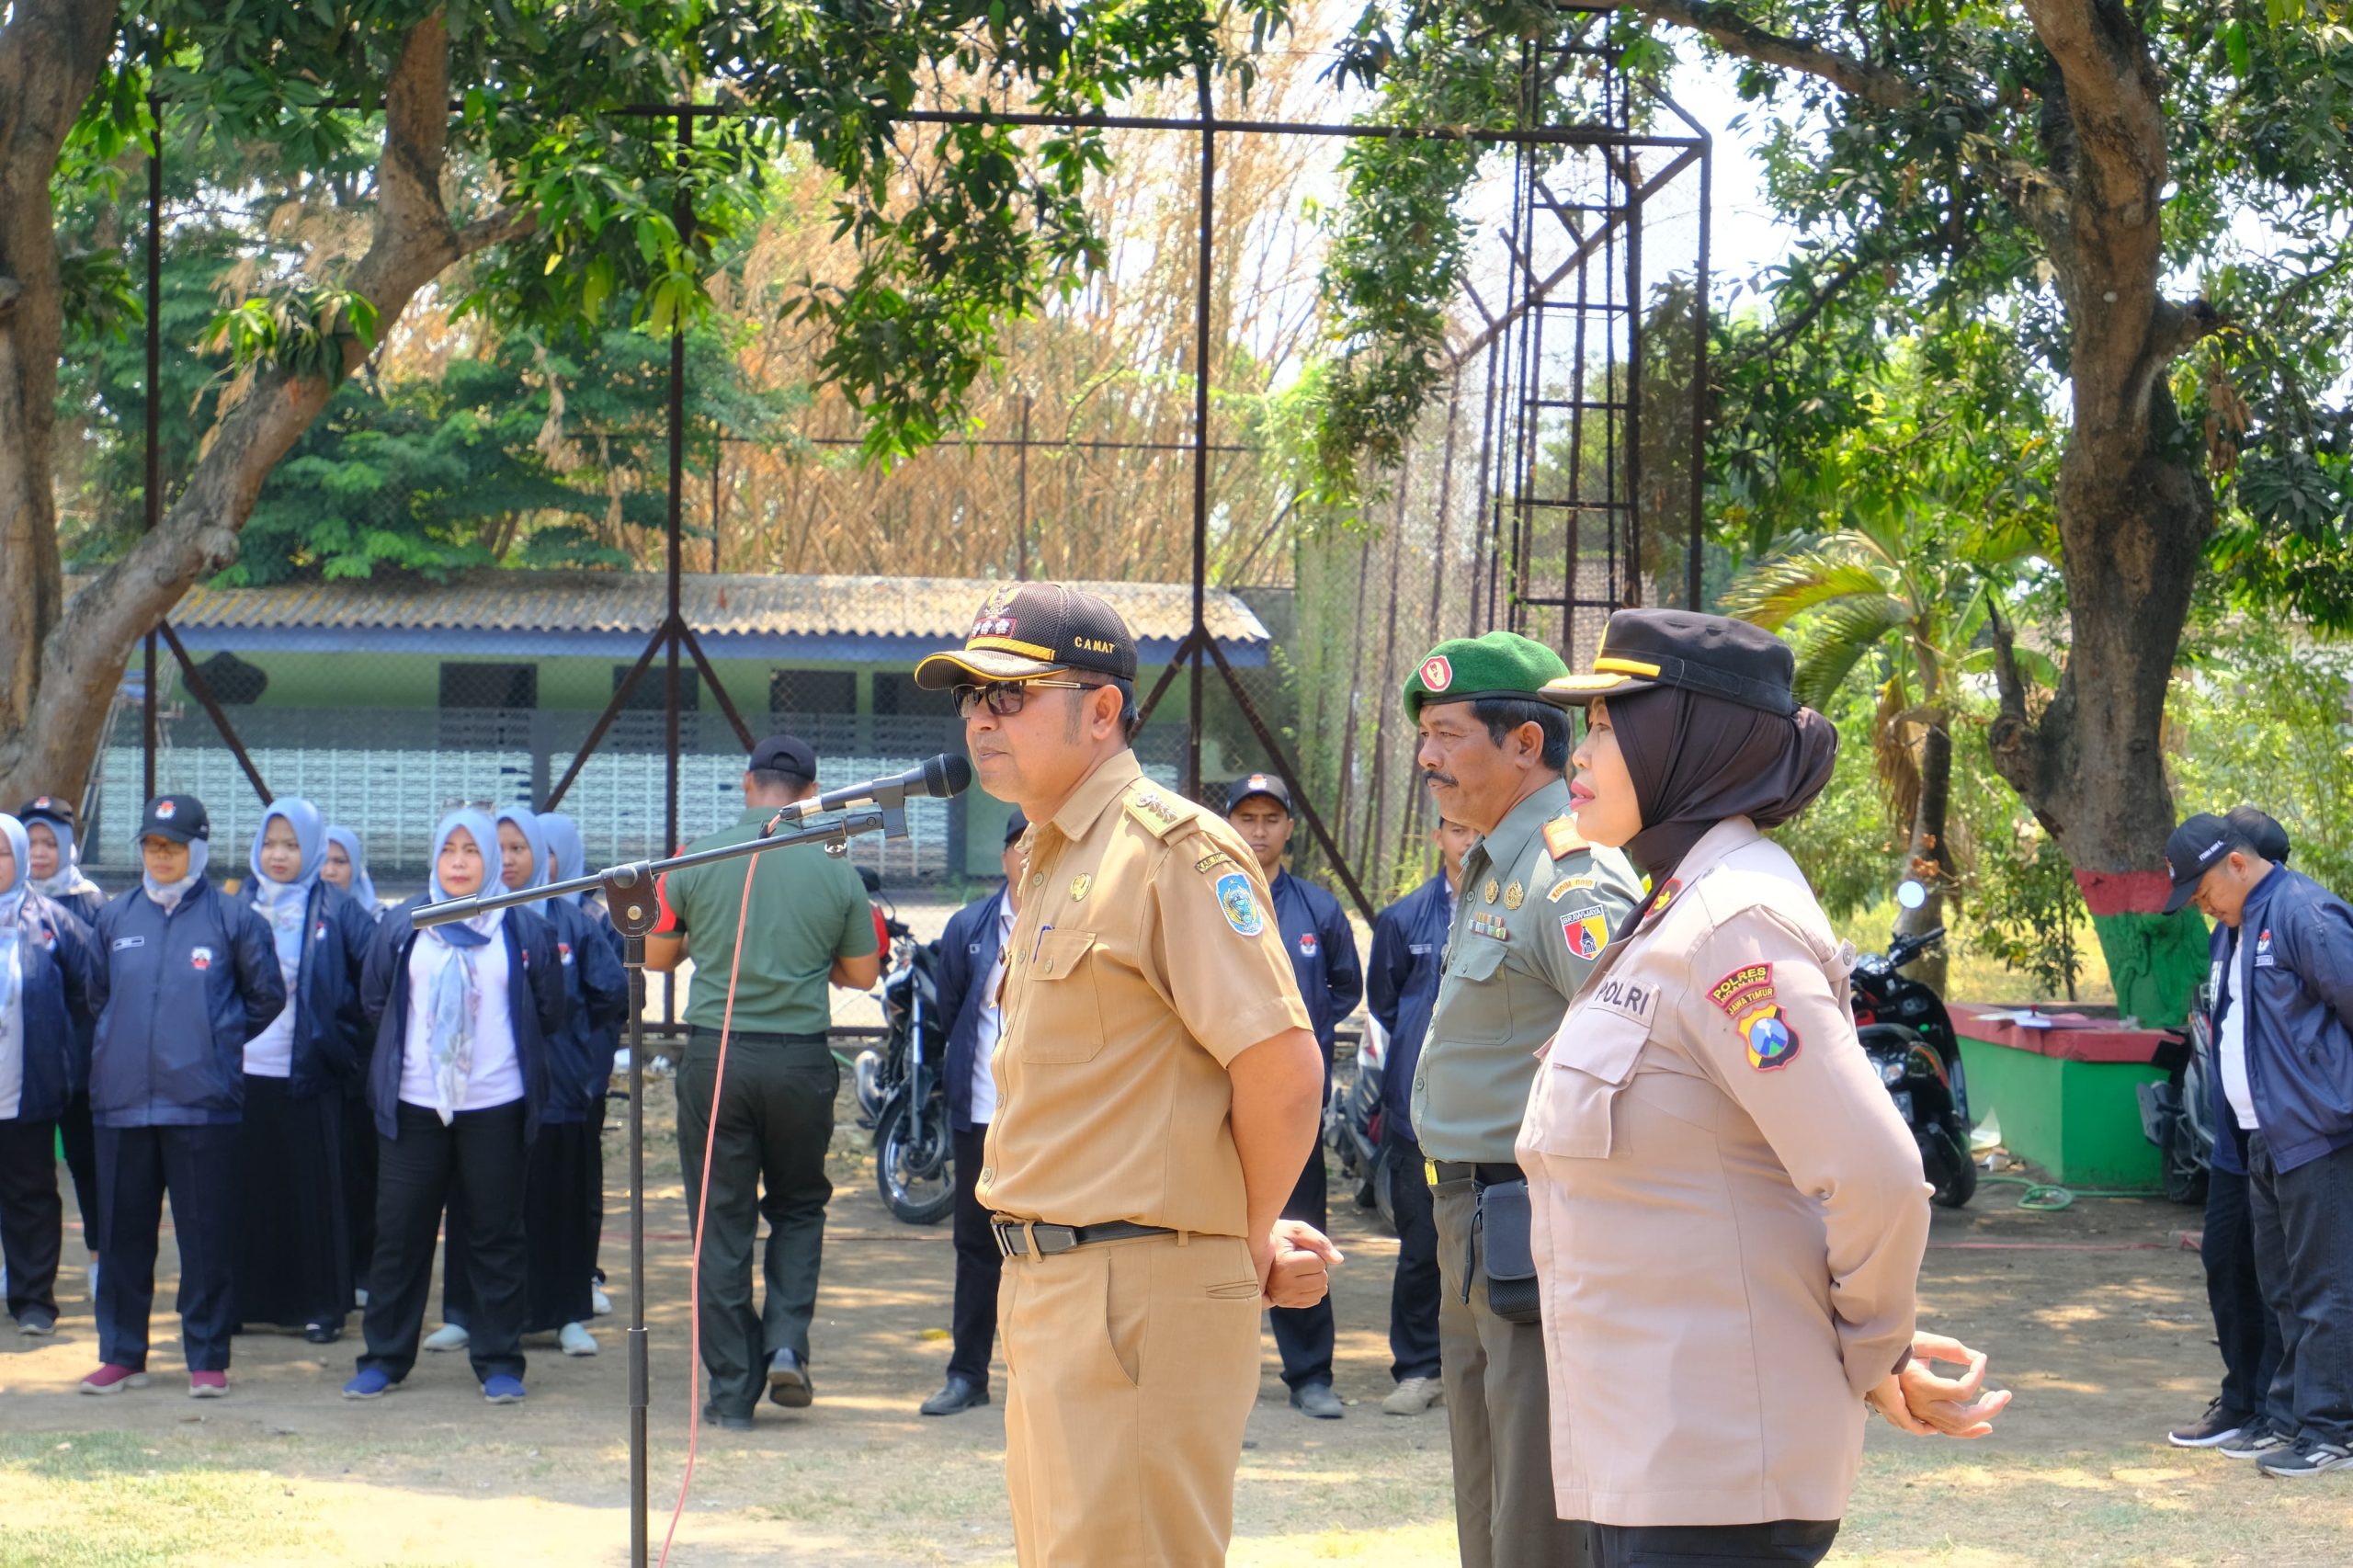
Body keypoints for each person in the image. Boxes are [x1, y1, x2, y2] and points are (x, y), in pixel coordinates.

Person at [1529, 608, 2008, 1566]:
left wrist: (1876, 1349)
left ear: (1684, 737)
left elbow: (1874, 1171)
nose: (1575, 750)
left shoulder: (1729, 922)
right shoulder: (1674, 905)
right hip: (1657, 1448)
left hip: (1716, 1465)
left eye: (1608, 724)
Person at [911, 580, 1339, 1565]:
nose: (982, 716)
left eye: (1010, 694)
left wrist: (1240, 1236)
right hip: (1052, 1280)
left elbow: (1279, 1070)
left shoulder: (1169, 851)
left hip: (1136, 1288)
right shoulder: (1057, 855)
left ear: (1101, 710)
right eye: (971, 696)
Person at [1400, 631, 1644, 1568]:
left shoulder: (1570, 872)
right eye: (1426, 736)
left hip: (1528, 1214)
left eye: (1449, 734)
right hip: (1470, 1209)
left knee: (1535, 1497)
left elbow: (1632, 1053)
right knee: (1485, 1473)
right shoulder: (1498, 862)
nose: (1428, 757)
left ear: (1524, 744)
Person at [646, 733, 881, 1429]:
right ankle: (785, 1345)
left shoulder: (697, 855)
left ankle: (730, 1392)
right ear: (812, 793)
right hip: (801, 1062)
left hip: (717, 1059)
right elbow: (863, 974)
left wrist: (709, 938)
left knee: (719, 1226)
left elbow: (658, 955)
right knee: (799, 1207)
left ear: (747, 785)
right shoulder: (835, 865)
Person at [344, 809, 567, 1404]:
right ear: (436, 859)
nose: (462, 862)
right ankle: (384, 1358)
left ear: (491, 861)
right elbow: (375, 1001)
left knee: (495, 1235)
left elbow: (549, 1008)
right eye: (451, 851)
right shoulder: (405, 923)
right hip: (415, 1106)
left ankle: (498, 1360)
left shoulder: (520, 928)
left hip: (494, 1106)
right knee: (400, 1234)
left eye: (474, 851)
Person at [2162, 807, 2353, 1478]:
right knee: (2284, 1289)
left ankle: (2333, 1431)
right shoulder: (2237, 926)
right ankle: (2288, 1417)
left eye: (2203, 890)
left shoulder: (2304, 912)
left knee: (2325, 1289)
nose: (2201, 906)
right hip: (2261, 1137)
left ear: (2236, 864)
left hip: (2317, 1134)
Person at [81, 795, 285, 1398]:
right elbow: (98, 997)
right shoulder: (115, 919)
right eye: (151, 844)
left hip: (202, 1104)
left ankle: (207, 1358)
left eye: (171, 845)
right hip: (121, 1104)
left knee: (205, 1237)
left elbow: (266, 997)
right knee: (122, 1236)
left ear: (198, 848)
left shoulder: (234, 919)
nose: (159, 855)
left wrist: (216, 1040)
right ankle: (122, 1353)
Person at [425, 809, 626, 1360]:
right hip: (484, 1097)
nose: (509, 859)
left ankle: (565, 1316)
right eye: (501, 848)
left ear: (539, 853)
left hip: (558, 1094)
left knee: (555, 1204)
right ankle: (466, 1314)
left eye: (519, 848)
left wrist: (583, 1065)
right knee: (478, 1207)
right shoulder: (468, 919)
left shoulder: (571, 922)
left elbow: (611, 996)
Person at [1227, 770, 1363, 1420]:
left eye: (1269, 819)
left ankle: (1311, 1374)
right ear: (1227, 824)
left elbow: (1345, 987)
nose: (1258, 831)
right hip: (1217, 1103)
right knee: (1208, 1230)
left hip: (1291, 1109)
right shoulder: (1207, 898)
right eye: (1246, 818)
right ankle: (1216, 1371)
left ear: (1288, 827)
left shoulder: (1318, 909)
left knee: (1302, 1230)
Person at [2168, 804, 2295, 1455]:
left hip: (2288, 1130)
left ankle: (2281, 1409)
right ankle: (2240, 1400)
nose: (2205, 905)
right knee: (2227, 1260)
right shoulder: (2226, 933)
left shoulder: (2295, 922)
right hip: (2232, 1134)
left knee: (2281, 1275)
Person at [233, 799, 376, 1345]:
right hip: (244, 1076)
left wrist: (345, 1047)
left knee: (312, 1196)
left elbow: (376, 980)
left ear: (312, 850)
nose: (278, 855)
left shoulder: (337, 909)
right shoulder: (237, 903)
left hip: (311, 1076)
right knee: (247, 1194)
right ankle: (240, 1302)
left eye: (291, 845)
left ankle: (319, 1306)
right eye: (270, 843)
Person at [1364, 813, 1478, 1417]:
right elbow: (1383, 1004)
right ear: (1436, 837)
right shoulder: (1404, 918)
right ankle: (1416, 1368)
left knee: (1491, 1242)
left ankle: (1483, 1369)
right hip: (1418, 1117)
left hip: (1489, 1117)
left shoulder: (1513, 907)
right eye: (1456, 830)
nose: (1469, 841)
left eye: (1475, 829)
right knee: (1420, 1246)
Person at [917, 809, 1027, 1418]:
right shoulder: (970, 927)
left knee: (1060, 1248)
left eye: (1043, 842)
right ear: (1004, 855)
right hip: (983, 1115)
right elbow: (954, 1012)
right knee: (976, 1246)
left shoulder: (1078, 918)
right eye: (1019, 844)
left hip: (1055, 1124)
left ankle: (1053, 1385)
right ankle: (967, 1374)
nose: (1030, 854)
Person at [0, 812, 98, 1337]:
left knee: (30, 1192)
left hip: (24, 1087)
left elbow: (94, 989)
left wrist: (63, 1048)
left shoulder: (51, 920)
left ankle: (33, 1299)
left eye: (1, 853)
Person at [539, 808, 625, 1316]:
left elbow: (612, 1000)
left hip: (581, 1078)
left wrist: (586, 1060)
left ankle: (582, 1273)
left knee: (580, 1182)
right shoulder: (511, 910)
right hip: (524, 1080)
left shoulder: (597, 918)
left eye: (547, 852)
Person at [18, 795, 106, 1295]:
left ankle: (100, 1261)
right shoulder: (10, 902)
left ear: (70, 845)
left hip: (80, 1068)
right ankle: (24, 1267)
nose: (41, 852)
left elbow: (99, 987)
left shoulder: (90, 903)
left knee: (87, 1163)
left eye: (51, 841)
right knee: (24, 1172)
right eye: (30, 842)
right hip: (23, 1070)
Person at [322, 824, 381, 1304]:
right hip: (318, 1070)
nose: (328, 869)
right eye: (320, 858)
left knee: (362, 1171)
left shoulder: (375, 920)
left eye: (339, 861)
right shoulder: (295, 916)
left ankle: (362, 1269)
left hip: (363, 1069)